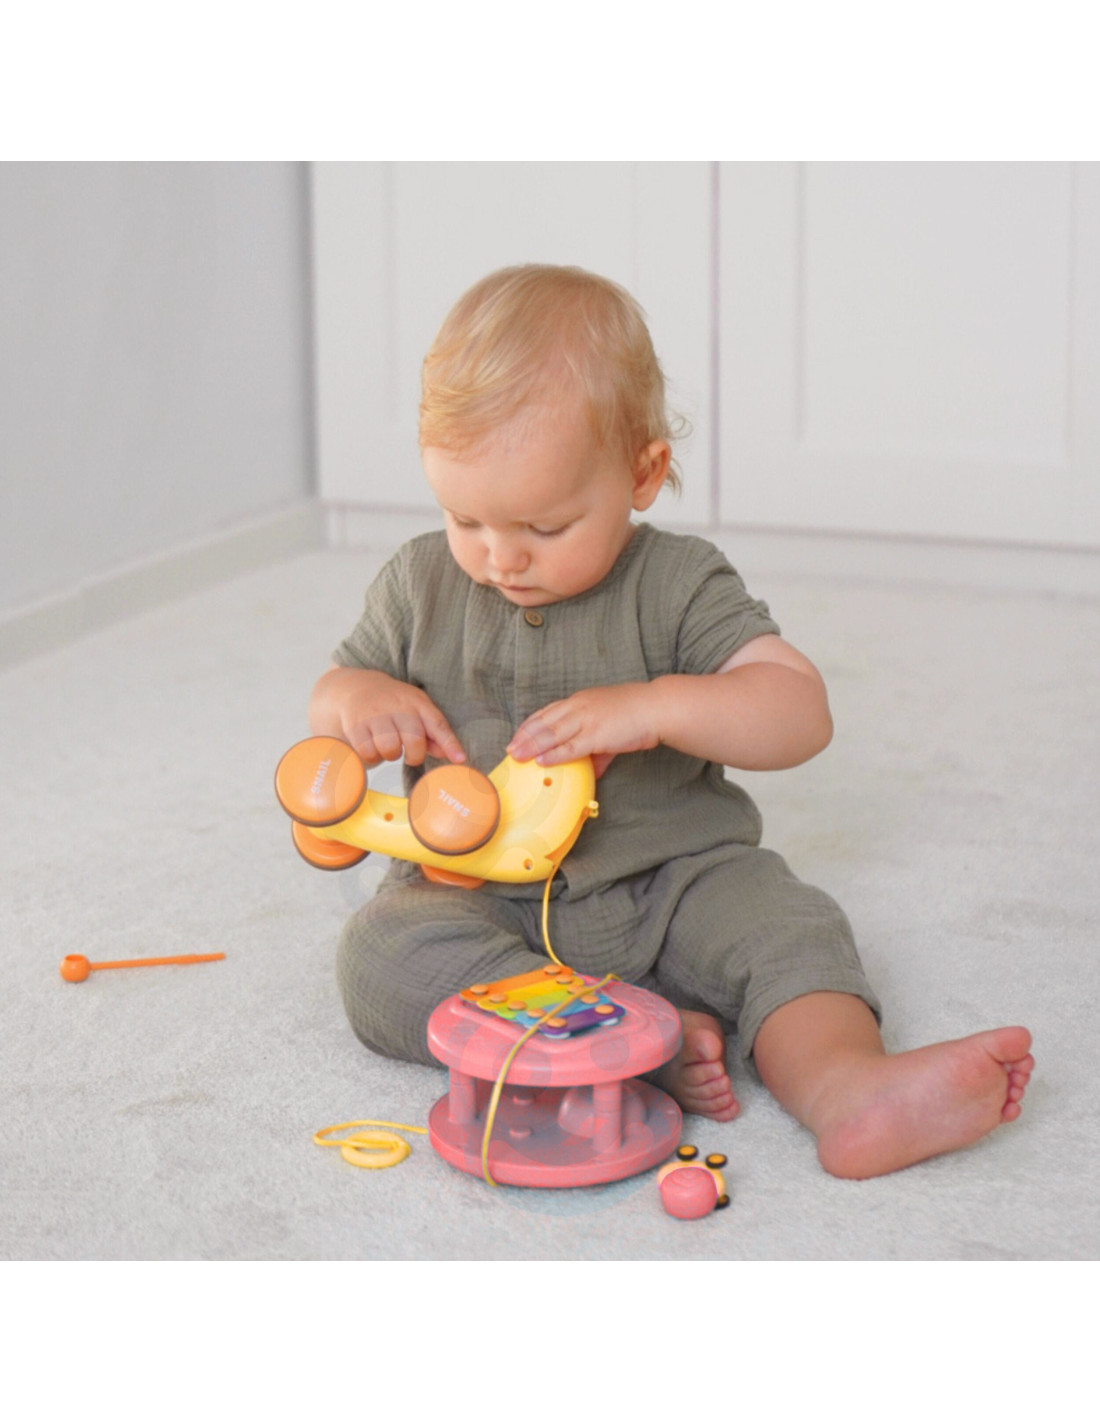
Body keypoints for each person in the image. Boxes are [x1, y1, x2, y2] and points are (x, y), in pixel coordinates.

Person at [309, 264, 1033, 1179]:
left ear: (643, 473)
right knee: (379, 957)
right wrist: (358, 701)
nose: (500, 558)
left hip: (676, 883)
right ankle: (627, 1047)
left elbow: (798, 712)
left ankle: (847, 1087)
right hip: (477, 901)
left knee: (788, 926)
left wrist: (655, 708)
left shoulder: (678, 582)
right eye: (466, 518)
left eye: (544, 526)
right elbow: (332, 692)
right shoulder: (419, 582)